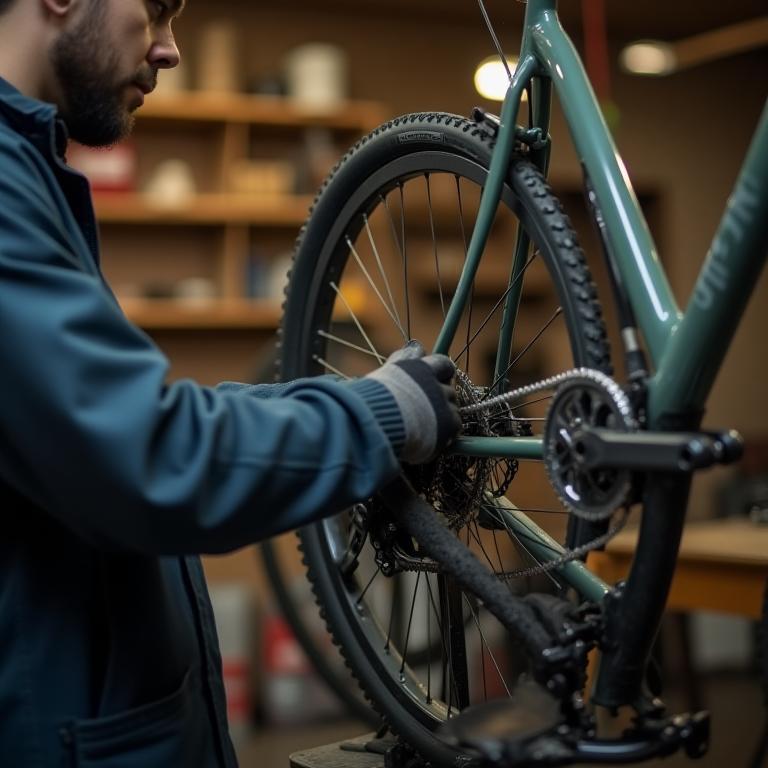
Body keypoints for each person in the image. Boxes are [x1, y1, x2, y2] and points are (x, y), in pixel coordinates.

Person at [0, 0, 461, 765]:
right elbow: (152, 459)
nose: (170, 49)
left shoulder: (31, 170)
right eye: (156, 10)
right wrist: (382, 413)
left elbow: (128, 424)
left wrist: (356, 401)